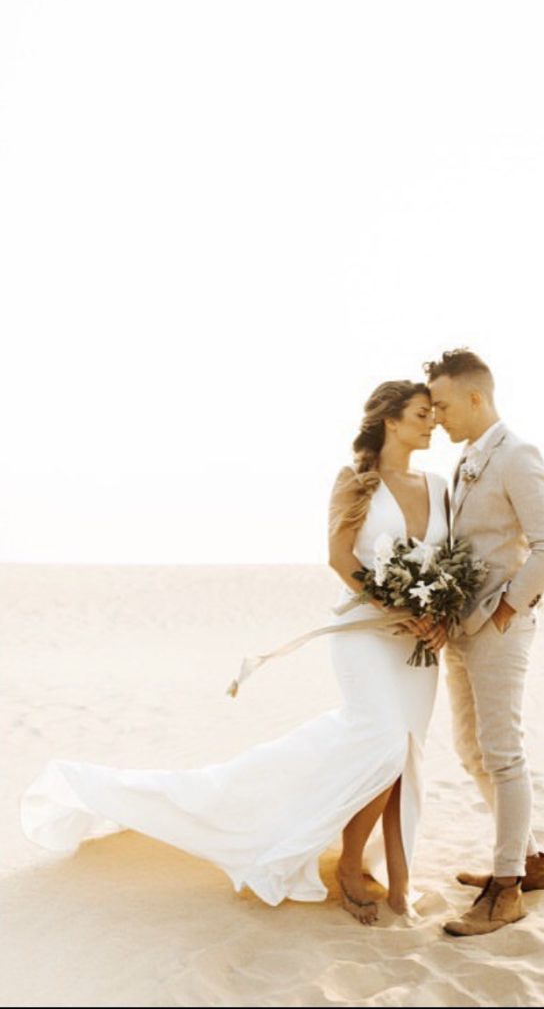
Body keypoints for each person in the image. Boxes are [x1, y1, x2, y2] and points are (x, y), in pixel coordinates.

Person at [19, 380, 450, 927]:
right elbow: (339, 558)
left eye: (434, 414)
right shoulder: (355, 481)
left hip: (418, 646)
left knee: (405, 757)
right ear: (391, 419)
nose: (432, 422)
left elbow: (447, 564)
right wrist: (394, 605)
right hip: (364, 634)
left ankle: (399, 879)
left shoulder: (439, 486)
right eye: (421, 413)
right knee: (384, 744)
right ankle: (345, 866)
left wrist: (437, 615)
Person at [423, 348, 544, 936]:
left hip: (500, 629)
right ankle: (529, 862)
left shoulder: (517, 455)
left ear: (476, 397)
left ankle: (506, 889)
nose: (436, 417)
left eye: (442, 405)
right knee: (470, 750)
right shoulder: (465, 460)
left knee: (503, 752)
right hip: (463, 629)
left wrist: (506, 610)